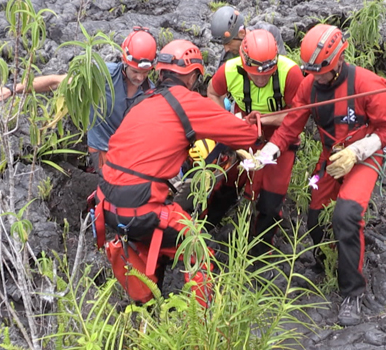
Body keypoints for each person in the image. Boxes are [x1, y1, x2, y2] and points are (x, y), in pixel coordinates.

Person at [92, 39, 261, 306]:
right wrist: (250, 121)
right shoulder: (189, 102)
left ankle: (146, 304)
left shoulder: (142, 102)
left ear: (160, 72)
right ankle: (201, 328)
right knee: (198, 247)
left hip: (108, 206)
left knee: (150, 234)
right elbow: (247, 135)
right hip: (143, 208)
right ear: (193, 75)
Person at [253, 24, 386, 326]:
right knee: (315, 221)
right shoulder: (309, 88)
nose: (316, 78)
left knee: (345, 214)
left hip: (364, 156)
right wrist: (264, 155)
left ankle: (352, 292)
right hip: (330, 157)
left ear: (338, 62)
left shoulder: (367, 83)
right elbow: (289, 127)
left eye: (322, 72)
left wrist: (356, 152)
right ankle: (329, 260)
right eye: (311, 72)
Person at [0, 27, 158, 171]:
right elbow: (54, 82)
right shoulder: (102, 75)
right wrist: (12, 89)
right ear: (124, 61)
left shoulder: (150, 92)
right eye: (135, 72)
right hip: (103, 150)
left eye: (145, 73)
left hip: (130, 152)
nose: (140, 78)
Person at [206, 29, 304, 256]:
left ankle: (260, 250)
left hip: (282, 136)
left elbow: (298, 115)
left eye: (266, 74)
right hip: (244, 131)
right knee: (226, 181)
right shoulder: (229, 70)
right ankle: (208, 228)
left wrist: (264, 118)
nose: (260, 79)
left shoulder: (290, 73)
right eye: (254, 74)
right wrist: (227, 124)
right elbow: (213, 92)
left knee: (271, 199)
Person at [210, 5, 287, 67]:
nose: (226, 49)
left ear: (242, 33)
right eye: (224, 44)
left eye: (228, 43)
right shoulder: (228, 55)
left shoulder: (269, 34)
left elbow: (282, 66)